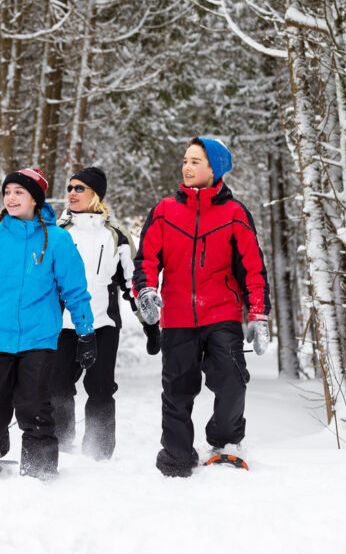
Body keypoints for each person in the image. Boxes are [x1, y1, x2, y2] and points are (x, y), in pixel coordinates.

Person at [133, 137, 270, 478]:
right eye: (185, 160)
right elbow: (146, 259)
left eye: (196, 161)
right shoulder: (165, 211)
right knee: (178, 388)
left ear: (215, 168)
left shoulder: (235, 214)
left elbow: (253, 268)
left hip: (221, 312)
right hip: (178, 315)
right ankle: (177, 455)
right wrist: (146, 289)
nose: (187, 167)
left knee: (232, 379)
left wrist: (259, 314)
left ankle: (225, 442)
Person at [0, 168, 96, 480]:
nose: (11, 197)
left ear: (35, 199)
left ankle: (39, 462)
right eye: (8, 192)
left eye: (19, 192)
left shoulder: (57, 240)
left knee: (34, 402)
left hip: (39, 339)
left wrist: (86, 332)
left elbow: (75, 290)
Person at [50, 166, 159, 460]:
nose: (71, 193)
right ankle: (61, 445)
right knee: (58, 387)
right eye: (70, 187)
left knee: (100, 389)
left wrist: (149, 325)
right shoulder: (57, 233)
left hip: (103, 325)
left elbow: (132, 284)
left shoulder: (118, 237)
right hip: (62, 325)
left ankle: (99, 451)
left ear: (95, 194)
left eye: (79, 188)